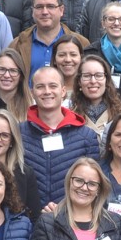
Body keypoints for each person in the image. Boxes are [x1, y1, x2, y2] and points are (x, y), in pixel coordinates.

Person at [20, 66, 100, 207]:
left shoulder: (87, 137)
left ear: (63, 91)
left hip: (71, 215)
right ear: (32, 92)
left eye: (53, 86)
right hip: (29, 216)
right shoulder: (18, 133)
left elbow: (94, 184)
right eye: (40, 87)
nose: (47, 91)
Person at [9, 0, 89, 81]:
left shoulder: (81, 43)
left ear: (61, 10)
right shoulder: (17, 45)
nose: (45, 12)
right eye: (39, 7)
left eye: (50, 6)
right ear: (32, 11)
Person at [71, 55, 121, 139]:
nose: (93, 81)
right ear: (79, 81)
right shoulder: (69, 114)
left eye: (99, 75)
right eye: (87, 76)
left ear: (106, 80)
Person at [52, 34, 86, 105]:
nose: (68, 59)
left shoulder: (88, 87)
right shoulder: (47, 89)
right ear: (54, 59)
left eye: (73, 55)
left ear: (81, 58)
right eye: (62, 55)